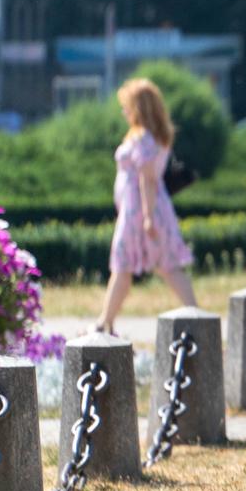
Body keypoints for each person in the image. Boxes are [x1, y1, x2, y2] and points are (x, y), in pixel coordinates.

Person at [94, 78, 199, 333]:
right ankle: (196, 315)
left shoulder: (142, 137)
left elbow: (148, 178)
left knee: (124, 264)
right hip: (147, 209)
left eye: (127, 106)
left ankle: (104, 322)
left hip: (139, 212)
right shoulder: (156, 136)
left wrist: (148, 217)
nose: (124, 112)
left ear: (138, 107)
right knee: (166, 264)